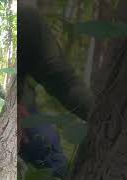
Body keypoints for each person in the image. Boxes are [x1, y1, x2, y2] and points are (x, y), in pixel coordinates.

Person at [19, 5, 94, 178]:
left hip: (21, 107)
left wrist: (101, 114)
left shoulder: (25, 18)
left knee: (45, 145)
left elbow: (62, 80)